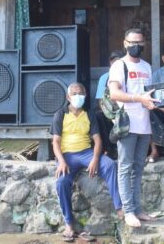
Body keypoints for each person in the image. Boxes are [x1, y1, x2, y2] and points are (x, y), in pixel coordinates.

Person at [52, 82, 122, 242]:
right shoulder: (60, 114)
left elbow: (97, 140)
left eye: (81, 93)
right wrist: (61, 161)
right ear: (68, 97)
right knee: (61, 182)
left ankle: (119, 208)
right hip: (67, 155)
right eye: (74, 94)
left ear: (85, 95)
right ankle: (69, 224)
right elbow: (55, 142)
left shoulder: (89, 114)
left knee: (110, 165)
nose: (78, 96)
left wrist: (95, 159)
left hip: (86, 153)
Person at [108, 28, 158, 228]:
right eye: (132, 42)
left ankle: (138, 209)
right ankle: (128, 211)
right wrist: (139, 98)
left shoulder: (147, 66)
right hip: (127, 124)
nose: (136, 46)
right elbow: (114, 94)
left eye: (139, 42)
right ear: (125, 43)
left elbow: (149, 94)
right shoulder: (119, 65)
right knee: (125, 168)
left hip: (144, 125)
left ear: (144, 44)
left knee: (138, 168)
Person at [95, 50, 124, 160]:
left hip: (126, 108)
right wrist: (109, 113)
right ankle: (110, 149)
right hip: (110, 109)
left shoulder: (127, 74)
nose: (115, 63)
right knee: (99, 116)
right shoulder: (105, 77)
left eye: (118, 61)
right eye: (113, 61)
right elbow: (100, 100)